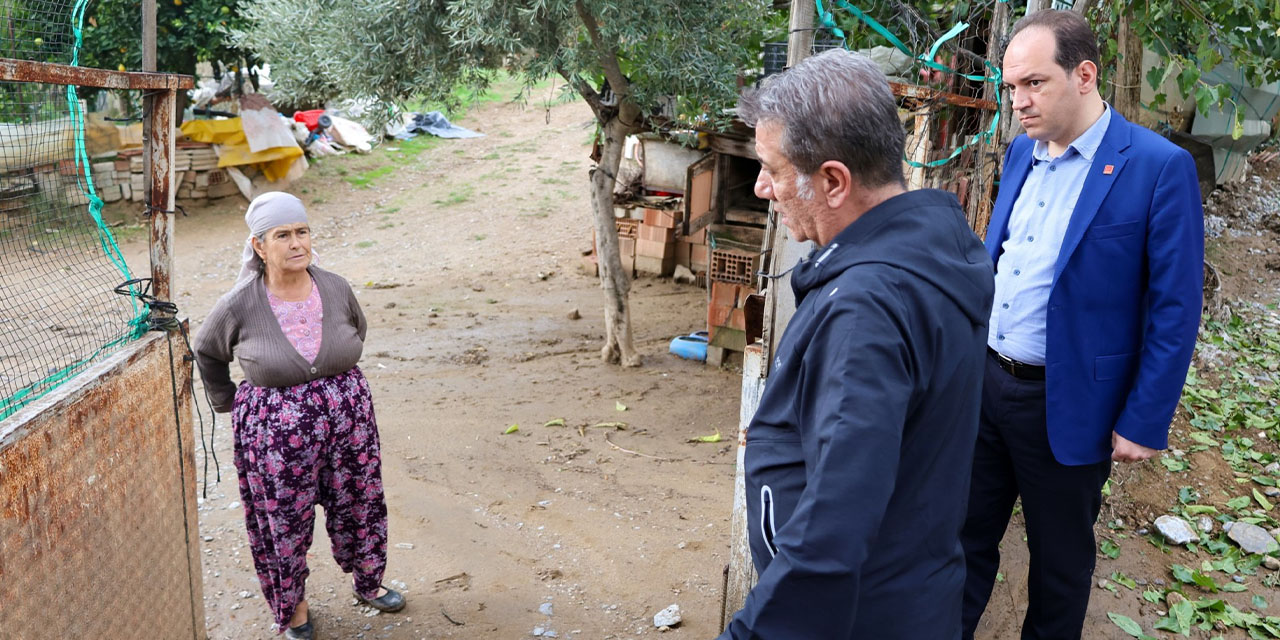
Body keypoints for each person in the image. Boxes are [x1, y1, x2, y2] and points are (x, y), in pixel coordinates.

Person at [718, 49, 995, 639]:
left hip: (858, 617)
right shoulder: (931, 247)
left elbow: (833, 526)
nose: (763, 188)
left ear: (834, 181)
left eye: (771, 168)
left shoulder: (866, 306)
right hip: (914, 587)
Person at [961, 10, 1203, 640]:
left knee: (1060, 568)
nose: (1018, 101)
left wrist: (1144, 419)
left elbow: (1175, 308)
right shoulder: (1020, 151)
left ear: (1085, 75)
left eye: (1034, 84)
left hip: (1069, 405)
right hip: (987, 388)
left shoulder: (1156, 166)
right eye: (1012, 87)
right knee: (960, 543)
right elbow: (1002, 257)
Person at [194, 192, 405, 639]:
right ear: (259, 245)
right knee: (283, 519)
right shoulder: (240, 303)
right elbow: (207, 352)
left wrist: (332, 377)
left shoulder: (334, 286)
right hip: (275, 427)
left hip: (348, 416)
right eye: (283, 235)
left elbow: (355, 330)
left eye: (302, 232)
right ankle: (293, 609)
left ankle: (368, 581)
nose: (296, 243)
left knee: (360, 501)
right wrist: (228, 400)